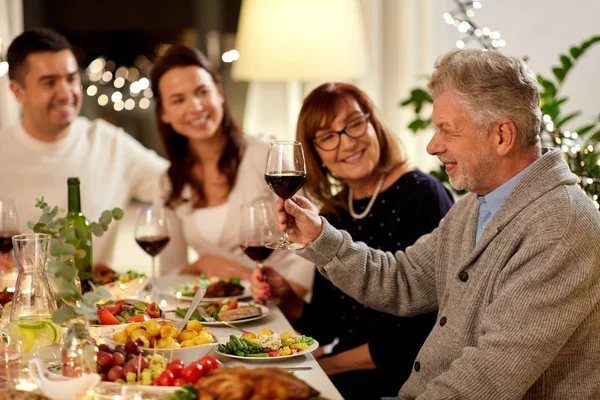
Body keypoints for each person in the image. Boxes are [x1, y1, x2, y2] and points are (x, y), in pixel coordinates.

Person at [272, 49, 600, 399]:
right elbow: (402, 281)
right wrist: (320, 237)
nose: (432, 145)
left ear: (502, 136)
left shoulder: (560, 228)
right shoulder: (474, 207)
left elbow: (486, 378)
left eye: (447, 130)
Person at [251, 83, 454, 399]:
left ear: (373, 124)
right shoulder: (334, 210)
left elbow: (426, 330)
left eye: (354, 124)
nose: (346, 143)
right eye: (328, 137)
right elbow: (327, 325)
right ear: (315, 154)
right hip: (347, 373)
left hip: (404, 379)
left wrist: (329, 367)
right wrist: (286, 297)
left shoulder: (422, 193)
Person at [150, 44, 313, 297]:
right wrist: (201, 264)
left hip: (285, 304)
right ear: (164, 114)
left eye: (202, 92)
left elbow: (314, 232)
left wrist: (291, 296)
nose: (195, 107)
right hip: (225, 310)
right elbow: (171, 273)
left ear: (219, 93)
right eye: (178, 100)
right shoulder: (169, 182)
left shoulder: (263, 154)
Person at [0, 29, 168, 273]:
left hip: (95, 304)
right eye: (49, 82)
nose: (66, 93)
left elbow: (179, 186)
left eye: (71, 78)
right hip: (16, 306)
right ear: (17, 91)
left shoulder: (108, 143)